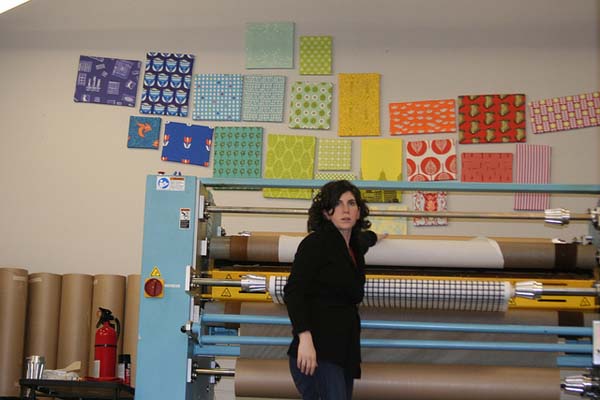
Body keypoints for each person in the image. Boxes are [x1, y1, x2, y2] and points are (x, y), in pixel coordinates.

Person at [283, 180, 384, 400]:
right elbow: (293, 292)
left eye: (351, 203)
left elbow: (364, 239)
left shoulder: (352, 246)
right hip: (316, 354)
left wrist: (377, 237)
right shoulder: (316, 243)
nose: (345, 210)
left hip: (342, 354)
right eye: (337, 204)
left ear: (359, 211)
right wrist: (305, 340)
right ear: (326, 213)